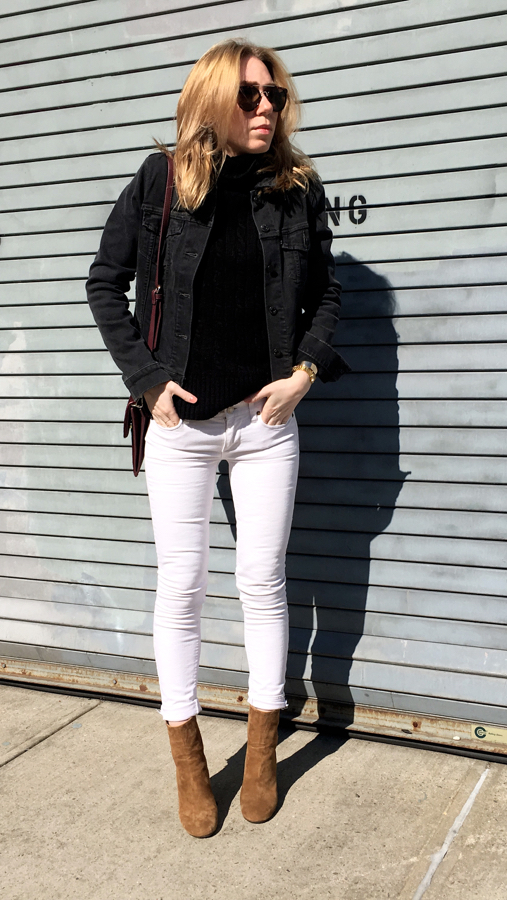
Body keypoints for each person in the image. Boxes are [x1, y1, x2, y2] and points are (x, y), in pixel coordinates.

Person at [86, 37, 348, 837]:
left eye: (274, 96)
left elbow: (327, 293)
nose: (266, 107)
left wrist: (304, 371)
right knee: (183, 589)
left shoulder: (296, 188)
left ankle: (263, 749)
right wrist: (144, 377)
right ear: (212, 101)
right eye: (249, 96)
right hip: (183, 428)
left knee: (263, 585)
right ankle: (189, 758)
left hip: (265, 425)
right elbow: (104, 281)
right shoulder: (160, 181)